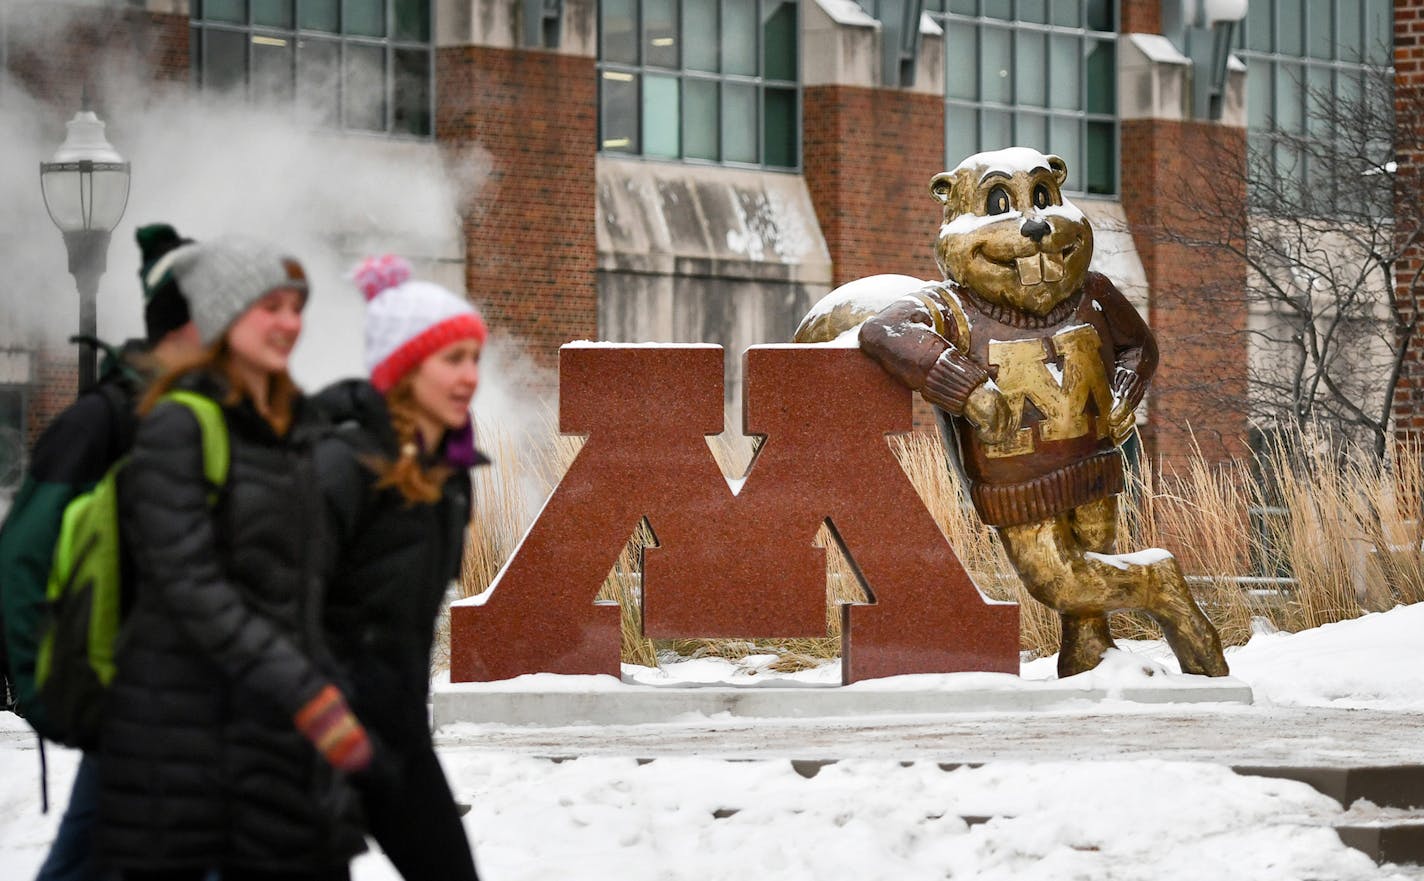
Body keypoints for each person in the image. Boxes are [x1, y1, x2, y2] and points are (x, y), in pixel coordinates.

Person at [100, 238, 372, 881]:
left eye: (297, 307)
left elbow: (301, 589)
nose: (290, 323)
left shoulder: (291, 430)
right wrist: (308, 692)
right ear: (222, 315)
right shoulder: (178, 427)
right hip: (186, 747)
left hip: (277, 747)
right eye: (269, 306)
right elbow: (191, 587)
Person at [0, 223, 202, 881]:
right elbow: (20, 559)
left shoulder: (218, 418)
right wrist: (50, 695)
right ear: (185, 325)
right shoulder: (102, 422)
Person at [313, 254, 486, 881]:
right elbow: (279, 609)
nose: (469, 376)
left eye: (474, 358)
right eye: (451, 359)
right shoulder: (341, 466)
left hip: (399, 737)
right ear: (405, 371)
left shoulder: (450, 478)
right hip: (312, 742)